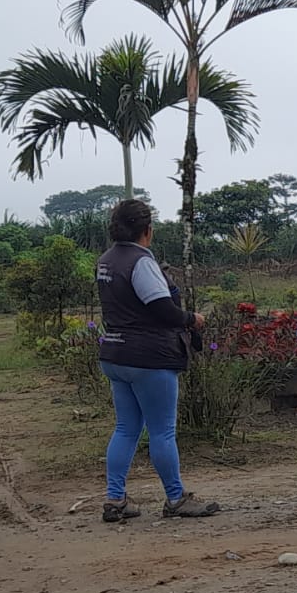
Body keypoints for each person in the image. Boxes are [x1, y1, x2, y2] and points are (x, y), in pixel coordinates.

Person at [95, 199, 219, 522]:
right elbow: (161, 308)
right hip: (149, 358)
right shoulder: (141, 262)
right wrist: (191, 319)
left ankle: (115, 499)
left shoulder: (106, 261)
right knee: (162, 431)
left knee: (125, 428)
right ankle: (176, 498)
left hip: (115, 354)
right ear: (147, 230)